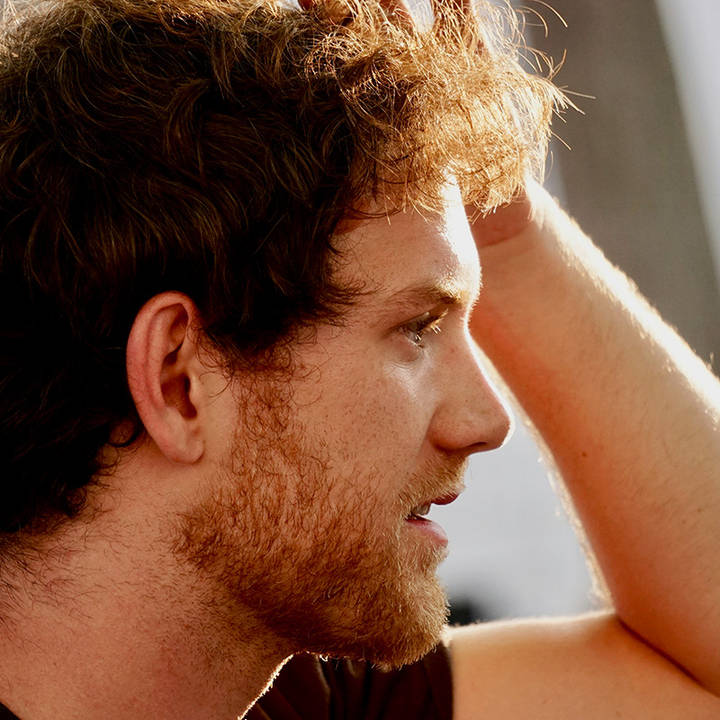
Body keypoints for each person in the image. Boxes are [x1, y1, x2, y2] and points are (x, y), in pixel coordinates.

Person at [0, 0, 718, 717]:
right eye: (417, 329)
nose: (486, 423)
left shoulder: (306, 700)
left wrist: (509, 238)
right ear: (179, 382)